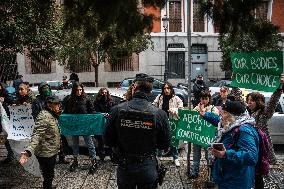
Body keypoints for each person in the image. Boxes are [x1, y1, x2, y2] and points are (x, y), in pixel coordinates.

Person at [103, 73, 171, 188]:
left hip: (125, 167)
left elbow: (107, 139)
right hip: (147, 166)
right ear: (149, 92)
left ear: (134, 87)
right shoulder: (160, 114)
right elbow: (165, 144)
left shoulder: (117, 110)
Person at [246, 73, 284, 189]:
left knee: (259, 177)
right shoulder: (247, 113)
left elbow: (272, 102)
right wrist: (236, 83)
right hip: (250, 147)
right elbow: (238, 100)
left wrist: (279, 86)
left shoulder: (263, 114)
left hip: (260, 150)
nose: (249, 103)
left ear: (258, 101)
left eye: (251, 101)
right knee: (252, 175)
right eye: (248, 101)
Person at [211, 101, 259, 189]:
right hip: (228, 177)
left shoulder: (244, 130)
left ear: (232, 115)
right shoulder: (232, 125)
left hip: (236, 181)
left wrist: (226, 154)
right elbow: (217, 120)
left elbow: (252, 157)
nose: (221, 115)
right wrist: (205, 115)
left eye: (224, 112)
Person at [19, 96, 62, 189]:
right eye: (56, 104)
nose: (59, 105)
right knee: (48, 175)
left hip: (51, 151)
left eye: (59, 103)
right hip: (45, 153)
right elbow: (37, 135)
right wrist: (28, 152)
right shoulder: (44, 117)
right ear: (49, 105)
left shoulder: (51, 114)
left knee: (49, 174)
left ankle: (48, 185)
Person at [64, 82, 97, 174]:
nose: (79, 92)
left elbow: (92, 111)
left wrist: (98, 116)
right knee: (75, 144)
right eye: (77, 90)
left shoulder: (86, 99)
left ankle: (94, 161)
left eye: (80, 90)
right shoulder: (69, 99)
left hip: (85, 125)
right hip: (75, 126)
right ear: (74, 90)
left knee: (89, 144)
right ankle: (75, 160)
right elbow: (66, 112)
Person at [189, 90, 219, 179]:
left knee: (208, 155)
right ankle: (195, 172)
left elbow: (217, 120)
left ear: (209, 99)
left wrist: (205, 114)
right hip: (197, 135)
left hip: (208, 137)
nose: (204, 101)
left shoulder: (213, 109)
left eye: (206, 99)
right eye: (202, 99)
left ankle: (211, 174)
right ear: (200, 99)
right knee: (196, 154)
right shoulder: (196, 108)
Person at [153, 81, 183, 167]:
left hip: (172, 122)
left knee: (173, 140)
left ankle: (175, 158)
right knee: (159, 140)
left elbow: (181, 109)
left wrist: (175, 110)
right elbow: (153, 106)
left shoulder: (176, 98)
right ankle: (158, 158)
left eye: (168, 88)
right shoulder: (160, 97)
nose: (166, 90)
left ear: (171, 89)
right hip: (161, 122)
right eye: (165, 88)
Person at [93, 87, 115, 160]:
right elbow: (94, 111)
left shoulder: (111, 101)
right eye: (102, 93)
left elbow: (114, 111)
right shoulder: (96, 102)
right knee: (100, 141)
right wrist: (102, 114)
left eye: (105, 93)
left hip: (109, 124)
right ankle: (101, 155)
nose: (104, 94)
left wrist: (109, 114)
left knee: (111, 140)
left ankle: (112, 155)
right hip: (100, 124)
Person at [0, 82, 16, 164]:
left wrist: (5, 102)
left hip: (5, 120)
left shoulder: (5, 95)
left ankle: (11, 154)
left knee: (7, 137)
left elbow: (12, 102)